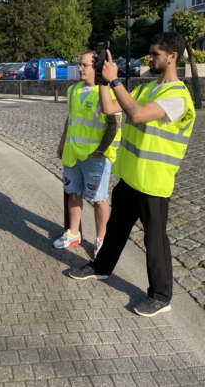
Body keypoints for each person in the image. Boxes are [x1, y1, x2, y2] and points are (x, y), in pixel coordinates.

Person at [69, 32, 196, 318]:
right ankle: (101, 268)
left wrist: (115, 81)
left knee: (155, 241)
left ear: (173, 56)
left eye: (155, 54)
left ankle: (161, 296)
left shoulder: (178, 96)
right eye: (150, 53)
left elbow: (136, 115)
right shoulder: (146, 88)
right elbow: (110, 107)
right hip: (130, 177)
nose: (150, 58)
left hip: (153, 181)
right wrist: (104, 80)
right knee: (116, 229)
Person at [54, 51, 121, 258]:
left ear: (97, 68)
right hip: (73, 153)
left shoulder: (106, 91)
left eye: (85, 65)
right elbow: (70, 118)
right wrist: (63, 142)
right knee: (74, 193)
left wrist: (100, 151)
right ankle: (73, 233)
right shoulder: (74, 90)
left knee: (99, 199)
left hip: (95, 157)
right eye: (80, 64)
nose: (80, 68)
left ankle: (101, 239)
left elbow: (114, 124)